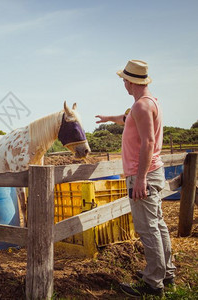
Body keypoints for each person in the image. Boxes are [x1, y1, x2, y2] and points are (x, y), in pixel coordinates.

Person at [95, 60, 175, 297]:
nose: (123, 84)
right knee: (158, 224)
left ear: (131, 81)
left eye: (124, 80)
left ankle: (153, 283)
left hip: (144, 175)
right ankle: (166, 272)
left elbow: (148, 142)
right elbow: (127, 117)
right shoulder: (148, 103)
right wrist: (110, 118)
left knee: (147, 228)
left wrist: (140, 179)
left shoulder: (141, 106)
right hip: (153, 172)